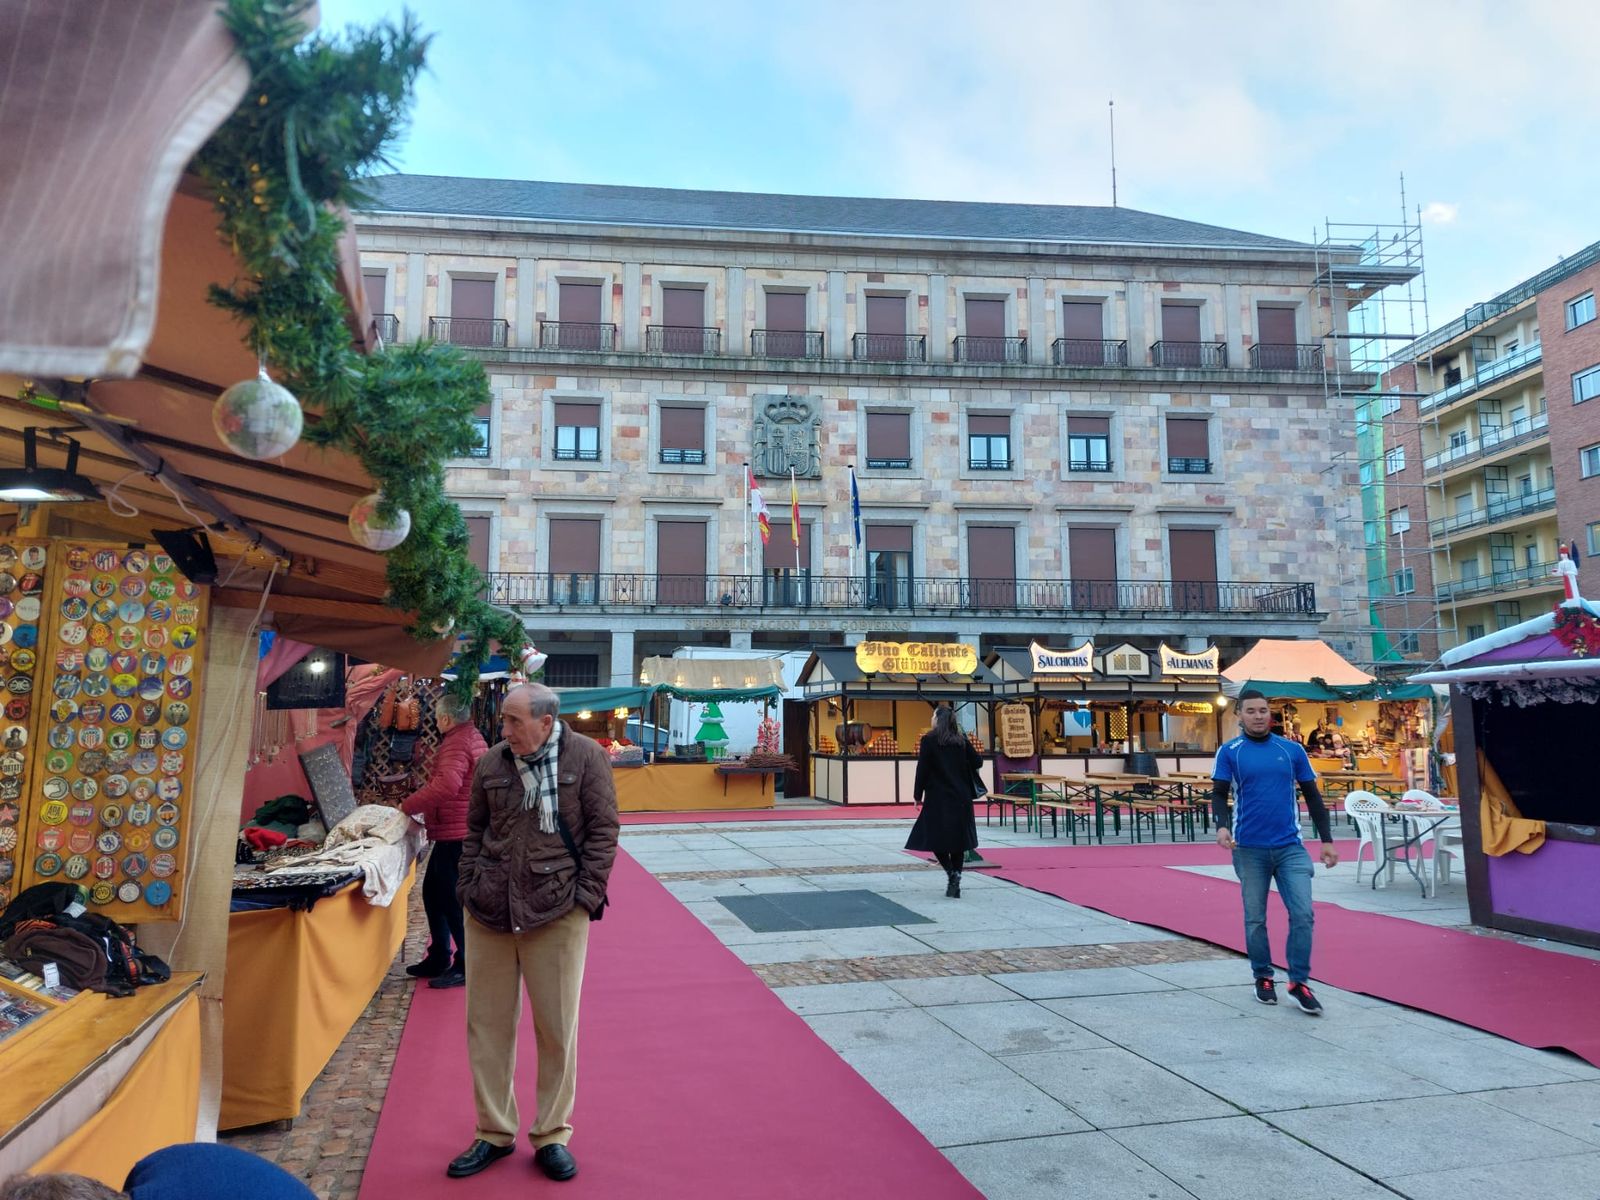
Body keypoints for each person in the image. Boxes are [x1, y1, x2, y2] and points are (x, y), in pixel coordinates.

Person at [448, 683, 619, 1183]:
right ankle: (493, 1132)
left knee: (556, 1029)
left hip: (557, 910)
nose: (504, 731)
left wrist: (585, 898)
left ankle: (551, 1134)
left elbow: (604, 831)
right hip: (489, 910)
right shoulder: (492, 763)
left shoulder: (586, 758)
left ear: (546, 722)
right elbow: (474, 829)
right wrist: (468, 884)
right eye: (503, 721)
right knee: (486, 1027)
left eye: (514, 721)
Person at [1212, 688, 1339, 1015]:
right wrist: (1221, 825)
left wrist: (1326, 840)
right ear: (1239, 715)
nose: (1258, 716)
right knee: (1255, 918)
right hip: (1249, 849)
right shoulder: (1230, 752)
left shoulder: (1292, 750)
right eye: (1251, 711)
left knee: (1303, 914)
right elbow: (1219, 794)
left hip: (1290, 848)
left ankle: (1298, 981)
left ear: (1271, 714)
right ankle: (1263, 976)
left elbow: (1312, 797)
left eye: (1263, 710)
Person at [400, 691, 489, 989]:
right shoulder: (471, 736)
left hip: (457, 832)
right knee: (433, 893)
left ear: (446, 718)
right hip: (459, 829)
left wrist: (409, 805)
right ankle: (439, 954)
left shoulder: (456, 741)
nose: (436, 722)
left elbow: (448, 784)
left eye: (437, 717)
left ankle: (465, 963)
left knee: (450, 899)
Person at [905, 705, 981, 899]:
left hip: (937, 797)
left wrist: (917, 795)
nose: (931, 718)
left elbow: (922, 769)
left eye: (933, 715)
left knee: (932, 837)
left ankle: (951, 873)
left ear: (938, 719)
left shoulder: (929, 740)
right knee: (958, 841)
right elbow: (978, 761)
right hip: (961, 797)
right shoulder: (960, 740)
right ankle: (956, 876)